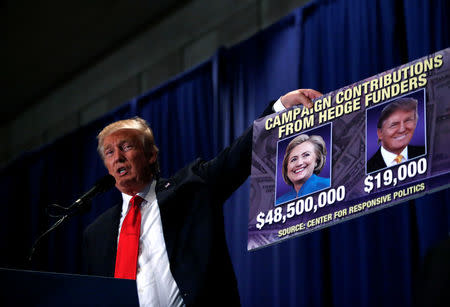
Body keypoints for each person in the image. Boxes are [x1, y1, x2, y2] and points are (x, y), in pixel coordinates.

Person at [82, 88, 322, 307]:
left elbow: (237, 158)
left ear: (151, 155)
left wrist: (279, 109)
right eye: (110, 152)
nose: (117, 158)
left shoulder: (190, 187)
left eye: (126, 147)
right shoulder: (97, 234)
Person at [367, 97, 425, 173]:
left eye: (408, 121)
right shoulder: (368, 168)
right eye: (394, 125)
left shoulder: (425, 152)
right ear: (380, 133)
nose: (402, 129)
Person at [276, 134, 330, 205]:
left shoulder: (330, 184)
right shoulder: (280, 202)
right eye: (293, 159)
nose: (299, 163)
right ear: (287, 167)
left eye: (306, 155)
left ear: (317, 161)